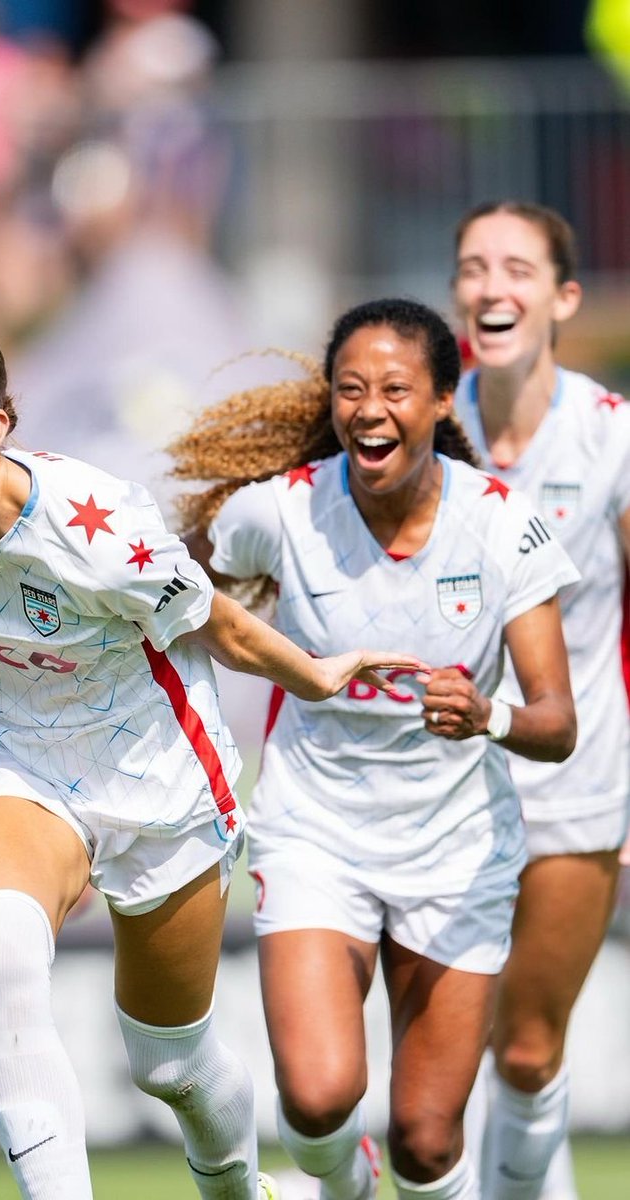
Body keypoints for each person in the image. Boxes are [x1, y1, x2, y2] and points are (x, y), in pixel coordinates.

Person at [0, 314, 427, 1200]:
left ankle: (243, 1190)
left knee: (170, 1064)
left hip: (159, 780)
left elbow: (217, 626)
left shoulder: (94, 527)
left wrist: (313, 675)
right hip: (21, 765)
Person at [168, 297, 579, 1200]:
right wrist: (261, 647)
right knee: (316, 1102)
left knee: (427, 1144)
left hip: (458, 853)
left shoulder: (502, 523)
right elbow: (185, 588)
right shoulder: (277, 512)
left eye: (395, 388)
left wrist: (489, 717)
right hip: (315, 832)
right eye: (350, 388)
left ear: (441, 402)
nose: (368, 408)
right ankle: (341, 1186)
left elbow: (555, 720)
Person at [451, 200, 630, 1200]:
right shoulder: (421, 429)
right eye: (472, 269)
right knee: (440, 1063)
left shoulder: (609, 436)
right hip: (438, 798)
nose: (490, 288)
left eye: (515, 269)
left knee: (524, 1052)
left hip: (577, 787)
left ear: (560, 296)